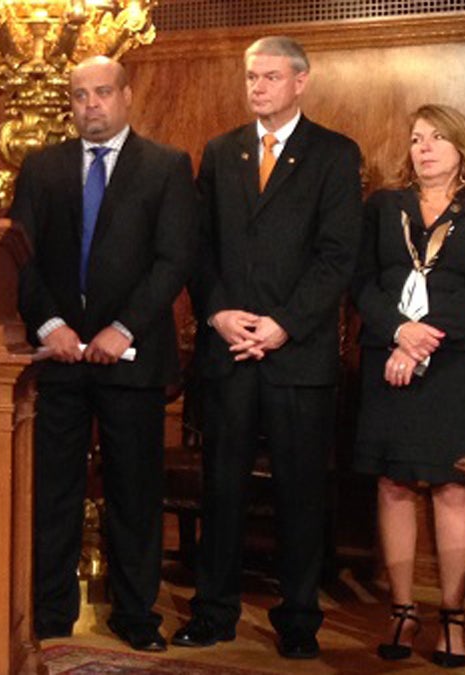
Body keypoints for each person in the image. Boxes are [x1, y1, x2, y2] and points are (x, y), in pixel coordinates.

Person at [178, 35, 363, 659]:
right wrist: (219, 312)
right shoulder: (221, 150)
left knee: (300, 493)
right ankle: (213, 612)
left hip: (297, 354)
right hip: (229, 351)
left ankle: (299, 620)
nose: (257, 87)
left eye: (270, 77)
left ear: (300, 82)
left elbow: (338, 256)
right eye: (251, 77)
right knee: (222, 487)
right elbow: (200, 248)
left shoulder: (334, 155)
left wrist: (282, 323)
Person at [12, 56, 197, 651]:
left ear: (127, 97)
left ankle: (135, 615)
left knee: (134, 492)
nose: (91, 104)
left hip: (133, 358)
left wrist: (123, 327)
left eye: (102, 93)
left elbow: (173, 260)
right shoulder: (42, 168)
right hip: (60, 359)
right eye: (80, 95)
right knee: (53, 491)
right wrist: (49, 325)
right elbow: (20, 258)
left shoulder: (166, 167)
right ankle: (50, 612)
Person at [351, 103, 465, 669]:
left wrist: (425, 339)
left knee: (453, 487)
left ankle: (452, 617)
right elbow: (363, 282)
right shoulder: (384, 207)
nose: (422, 148)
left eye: (435, 138)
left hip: (457, 365)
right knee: (395, 485)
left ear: (461, 149)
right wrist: (399, 334)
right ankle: (402, 611)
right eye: (415, 139)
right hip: (388, 361)